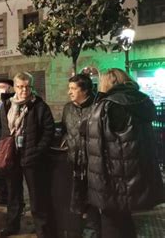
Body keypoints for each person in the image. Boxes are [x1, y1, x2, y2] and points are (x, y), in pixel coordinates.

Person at [86, 68, 164, 238]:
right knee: (125, 221)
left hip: (112, 178)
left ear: (107, 83)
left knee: (111, 223)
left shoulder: (108, 106)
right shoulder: (141, 101)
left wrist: (98, 184)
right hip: (134, 175)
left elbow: (96, 146)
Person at [0, 72, 55, 237]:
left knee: (37, 197)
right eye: (20, 86)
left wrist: (37, 150)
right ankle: (12, 226)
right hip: (11, 156)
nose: (24, 90)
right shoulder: (7, 105)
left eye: (27, 86)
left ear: (32, 87)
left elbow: (49, 131)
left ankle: (43, 230)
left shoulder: (40, 106)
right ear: (15, 87)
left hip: (31, 158)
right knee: (13, 195)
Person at [51, 74, 96, 237]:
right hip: (72, 161)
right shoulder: (68, 108)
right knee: (75, 199)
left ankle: (92, 231)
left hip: (92, 163)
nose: (69, 92)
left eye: (73, 88)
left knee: (92, 201)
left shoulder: (97, 107)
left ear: (84, 90)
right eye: (69, 88)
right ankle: (75, 230)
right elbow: (64, 129)